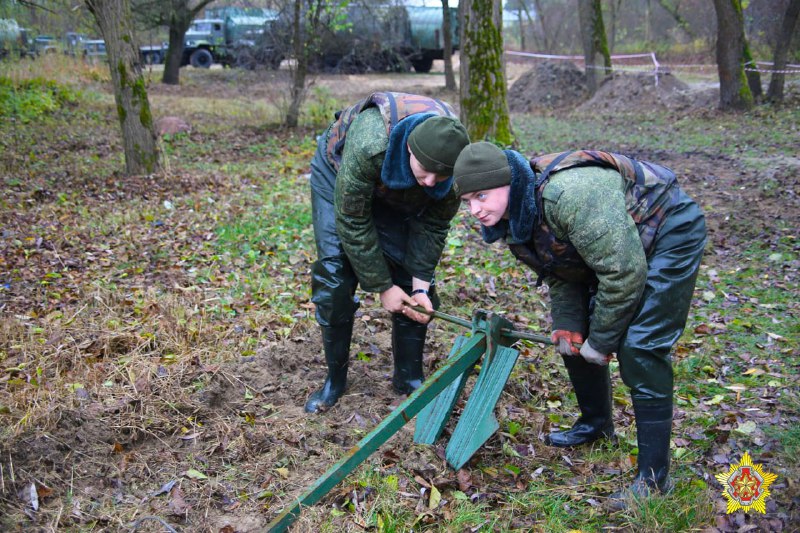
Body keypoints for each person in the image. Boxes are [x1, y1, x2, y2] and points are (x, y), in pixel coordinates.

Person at [452, 142, 707, 502]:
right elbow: (560, 269)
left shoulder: (568, 196)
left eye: (482, 195)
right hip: (613, 246)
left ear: (508, 182)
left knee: (640, 347)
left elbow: (624, 273)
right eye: (467, 201)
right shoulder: (514, 217)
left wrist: (602, 342)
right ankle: (596, 425)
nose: (475, 210)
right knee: (572, 336)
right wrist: (569, 323)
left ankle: (654, 480)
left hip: (666, 228)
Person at [306, 92, 470, 414]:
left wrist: (420, 285)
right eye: (427, 171)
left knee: (413, 282)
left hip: (397, 187)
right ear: (410, 147)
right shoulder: (371, 145)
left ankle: (408, 378)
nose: (432, 181)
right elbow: (352, 219)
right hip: (337, 173)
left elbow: (433, 228)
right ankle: (334, 381)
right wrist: (381, 286)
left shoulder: (451, 177)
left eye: (442, 176)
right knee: (335, 279)